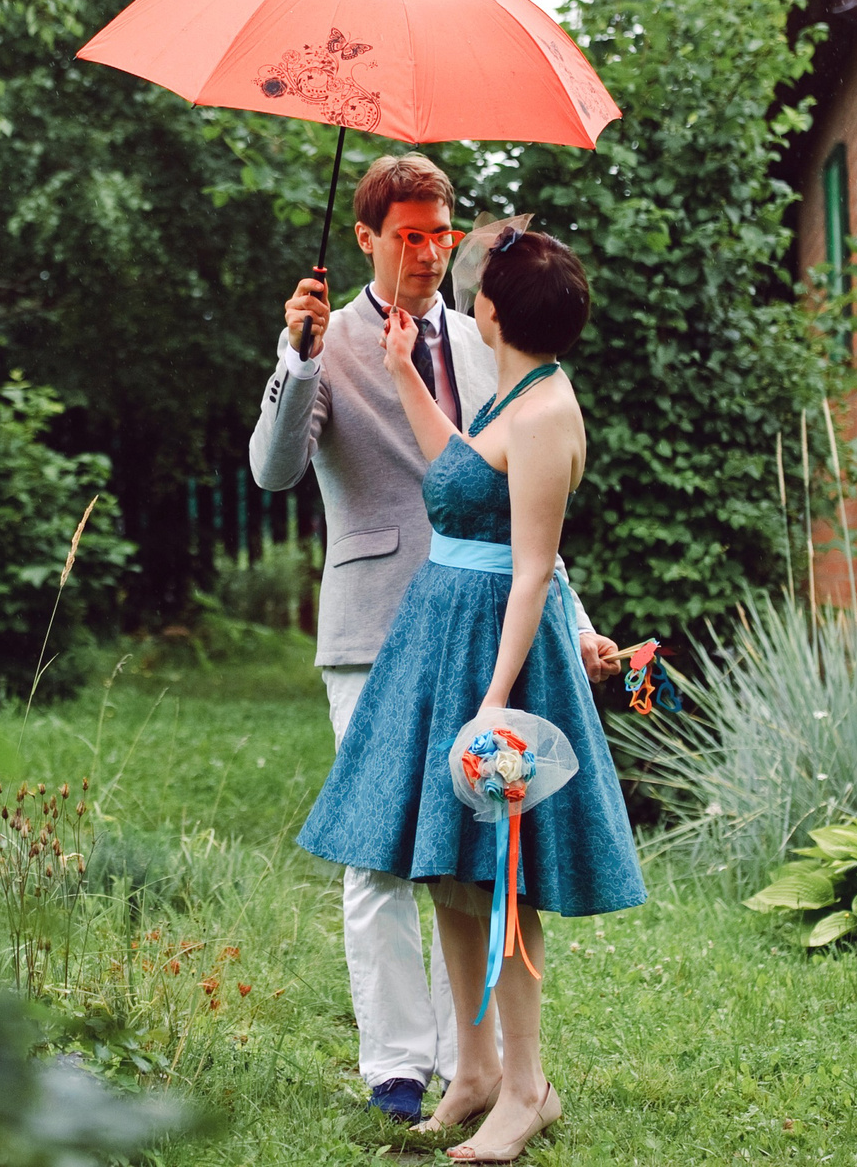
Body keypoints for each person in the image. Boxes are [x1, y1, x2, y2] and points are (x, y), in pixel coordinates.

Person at [250, 155, 621, 1126]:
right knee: (379, 857)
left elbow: (522, 525)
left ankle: (489, 1067)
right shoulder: (322, 344)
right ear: (366, 238)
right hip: (379, 622)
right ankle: (396, 1068)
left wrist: (571, 625)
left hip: (482, 634)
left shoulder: (491, 337)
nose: (427, 251)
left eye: (440, 233)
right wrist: (295, 359)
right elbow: (274, 471)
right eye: (407, 234)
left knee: (465, 857)